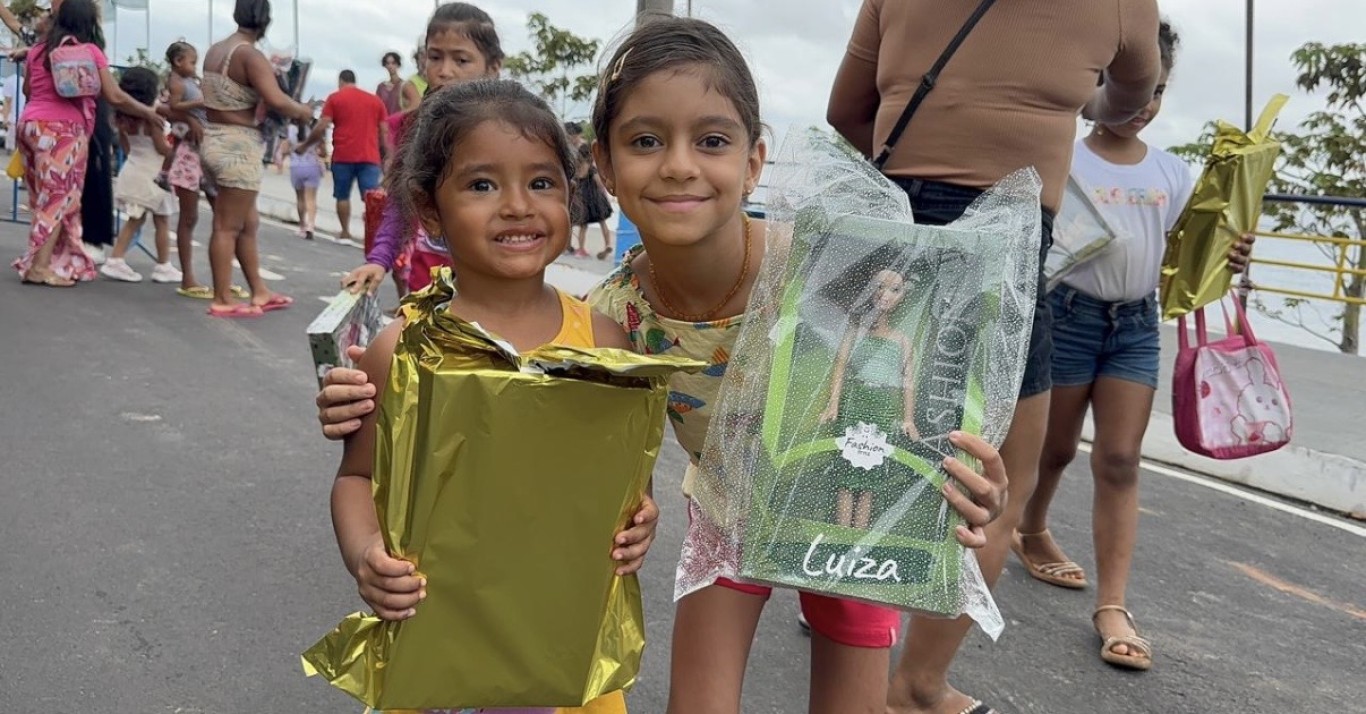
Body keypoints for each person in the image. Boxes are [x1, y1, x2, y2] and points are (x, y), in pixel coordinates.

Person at [315, 18, 1009, 714]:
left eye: (711, 140)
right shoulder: (614, 321)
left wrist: (957, 478)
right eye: (647, 141)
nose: (679, 164)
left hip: (847, 515)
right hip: (728, 509)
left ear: (755, 159)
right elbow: (589, 458)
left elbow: (923, 395)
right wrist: (363, 393)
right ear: (606, 168)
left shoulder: (833, 273)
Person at [827, 2, 1163, 711]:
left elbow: (846, 110)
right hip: (1003, 238)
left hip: (898, 231)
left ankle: (839, 628)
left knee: (861, 443)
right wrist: (1069, 97)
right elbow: (1130, 99)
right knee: (992, 484)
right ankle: (915, 685)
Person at [331, 78, 635, 714]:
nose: (518, 205)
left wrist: (639, 522)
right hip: (440, 636)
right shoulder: (401, 347)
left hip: (565, 638)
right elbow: (356, 479)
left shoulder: (602, 340)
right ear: (431, 208)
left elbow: (620, 480)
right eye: (482, 184)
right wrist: (366, 556)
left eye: (542, 182)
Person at [1014, 21, 1255, 672]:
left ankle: (1114, 605)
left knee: (1119, 460)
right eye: (1128, 85)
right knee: (1053, 447)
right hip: (1066, 317)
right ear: (1096, 82)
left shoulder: (1174, 173)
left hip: (1137, 325)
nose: (1142, 101)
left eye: (1156, 89)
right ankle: (1030, 527)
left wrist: (1227, 257)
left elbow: (1185, 262)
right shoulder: (1062, 153)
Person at [337, 1, 502, 297]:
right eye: (435, 57)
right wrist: (378, 260)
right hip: (425, 288)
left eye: (461, 61)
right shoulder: (415, 130)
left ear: (492, 69)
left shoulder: (509, 134)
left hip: (493, 291)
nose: (444, 71)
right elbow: (400, 205)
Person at [10, 0, 158, 287]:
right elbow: (114, 96)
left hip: (30, 125)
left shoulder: (39, 50)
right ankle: (39, 268)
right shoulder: (90, 52)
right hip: (64, 130)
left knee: (44, 196)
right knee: (59, 198)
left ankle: (49, 260)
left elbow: (29, 89)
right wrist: (147, 111)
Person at [199, 0, 313, 317]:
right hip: (238, 145)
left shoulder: (215, 50)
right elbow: (276, 100)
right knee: (226, 225)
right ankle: (222, 298)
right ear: (266, 20)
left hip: (214, 138)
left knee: (248, 222)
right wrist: (303, 110)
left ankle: (259, 291)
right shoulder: (250, 55)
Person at [99, 67, 179, 284]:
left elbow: (126, 147)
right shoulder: (152, 117)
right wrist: (177, 149)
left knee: (136, 218)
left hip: (134, 169)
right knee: (159, 221)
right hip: (155, 174)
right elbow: (162, 148)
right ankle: (123, 260)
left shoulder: (123, 116)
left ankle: (156, 264)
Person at [296, 69, 388, 242]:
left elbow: (322, 126)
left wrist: (306, 145)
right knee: (371, 199)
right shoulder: (375, 101)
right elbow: (384, 132)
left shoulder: (335, 98)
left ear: (341, 81)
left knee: (342, 195)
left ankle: (345, 232)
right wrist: (388, 156)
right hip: (370, 156)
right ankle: (374, 236)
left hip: (343, 156)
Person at [159, 40, 216, 298]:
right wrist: (194, 111)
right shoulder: (177, 82)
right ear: (178, 62)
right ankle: (188, 277)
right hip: (190, 154)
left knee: (221, 216)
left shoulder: (191, 82)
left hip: (205, 151)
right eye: (192, 61)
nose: (195, 66)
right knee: (189, 217)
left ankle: (218, 278)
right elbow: (172, 108)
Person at [281, 120, 326, 239]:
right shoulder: (316, 130)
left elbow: (285, 149)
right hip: (312, 166)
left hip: (296, 166)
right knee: (311, 199)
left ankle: (302, 226)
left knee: (300, 198)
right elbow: (323, 152)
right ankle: (310, 225)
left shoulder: (291, 129)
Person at [570, 142, 614, 259]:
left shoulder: (576, 167)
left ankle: (581, 249)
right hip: (594, 198)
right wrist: (605, 194)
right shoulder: (591, 168)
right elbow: (599, 183)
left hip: (581, 198)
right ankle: (608, 244)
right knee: (603, 222)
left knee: (583, 226)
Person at [399, 42, 428, 112]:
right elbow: (417, 109)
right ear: (417, 60)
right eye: (422, 56)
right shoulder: (409, 84)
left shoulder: (438, 82)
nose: (425, 60)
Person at [376, 50, 403, 115]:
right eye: (388, 63)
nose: (390, 66)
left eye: (393, 63)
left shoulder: (404, 85)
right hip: (385, 122)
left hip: (400, 122)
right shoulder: (381, 87)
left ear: (398, 65)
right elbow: (377, 107)